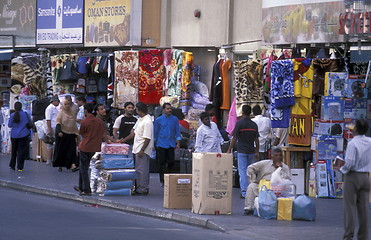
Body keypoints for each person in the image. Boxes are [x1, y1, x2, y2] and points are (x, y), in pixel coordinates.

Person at [339, 119, 371, 240]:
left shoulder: (352, 143)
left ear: (356, 129)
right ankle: (363, 236)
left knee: (349, 208)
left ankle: (348, 235)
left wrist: (341, 168)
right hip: (365, 176)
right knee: (363, 209)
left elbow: (350, 163)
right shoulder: (369, 141)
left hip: (353, 177)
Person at [243, 147, 291, 215]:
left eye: (280, 155)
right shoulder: (265, 163)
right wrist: (253, 180)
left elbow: (287, 180)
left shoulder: (285, 167)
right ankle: (249, 208)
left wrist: (280, 168)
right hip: (263, 187)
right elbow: (250, 168)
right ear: (272, 157)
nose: (278, 157)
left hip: (277, 189)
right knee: (252, 186)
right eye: (276, 155)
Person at [227, 105, 259, 199]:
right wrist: (257, 151)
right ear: (250, 113)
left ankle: (244, 192)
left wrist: (229, 149)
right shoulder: (254, 125)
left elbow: (234, 138)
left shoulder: (239, 123)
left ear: (242, 112)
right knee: (249, 172)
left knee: (242, 172)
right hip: (251, 151)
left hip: (242, 151)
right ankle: (250, 190)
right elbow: (256, 139)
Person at [74, 103, 105, 196]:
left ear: (86, 111)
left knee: (83, 168)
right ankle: (81, 186)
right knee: (87, 167)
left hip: (85, 146)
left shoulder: (85, 122)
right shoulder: (99, 121)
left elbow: (81, 133)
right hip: (95, 147)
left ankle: (86, 189)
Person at [127, 102, 154, 195]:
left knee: (142, 170)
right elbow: (133, 131)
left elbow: (147, 138)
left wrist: (142, 150)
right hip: (137, 147)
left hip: (142, 149)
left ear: (139, 110)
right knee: (138, 170)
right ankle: (139, 187)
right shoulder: (140, 120)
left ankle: (143, 188)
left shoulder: (147, 121)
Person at [154, 103, 181, 186]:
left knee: (171, 162)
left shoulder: (175, 119)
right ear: (163, 110)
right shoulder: (158, 120)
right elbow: (155, 132)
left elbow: (177, 131)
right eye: (167, 109)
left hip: (171, 144)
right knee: (161, 163)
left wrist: (178, 142)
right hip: (161, 143)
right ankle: (163, 180)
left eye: (170, 109)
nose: (169, 110)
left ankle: (169, 178)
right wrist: (155, 143)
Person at [52, 99, 79, 172]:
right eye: (65, 104)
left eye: (68, 104)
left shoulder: (72, 113)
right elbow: (58, 122)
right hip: (63, 135)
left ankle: (73, 165)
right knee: (62, 150)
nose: (67, 106)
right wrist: (59, 132)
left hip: (71, 134)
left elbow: (74, 124)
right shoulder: (61, 113)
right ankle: (60, 165)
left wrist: (76, 133)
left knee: (72, 150)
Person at [8, 102, 31, 171]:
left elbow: (9, 125)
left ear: (14, 107)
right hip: (23, 135)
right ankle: (20, 167)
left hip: (14, 135)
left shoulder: (12, 115)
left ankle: (12, 165)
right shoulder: (25, 114)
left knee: (14, 150)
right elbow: (29, 122)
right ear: (21, 107)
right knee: (21, 151)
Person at [44, 95, 60, 165]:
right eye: (57, 101)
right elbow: (48, 120)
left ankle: (53, 159)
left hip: (56, 127)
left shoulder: (56, 108)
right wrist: (49, 129)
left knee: (55, 143)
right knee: (50, 144)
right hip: (52, 127)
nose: (58, 102)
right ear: (53, 101)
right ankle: (49, 159)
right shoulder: (49, 108)